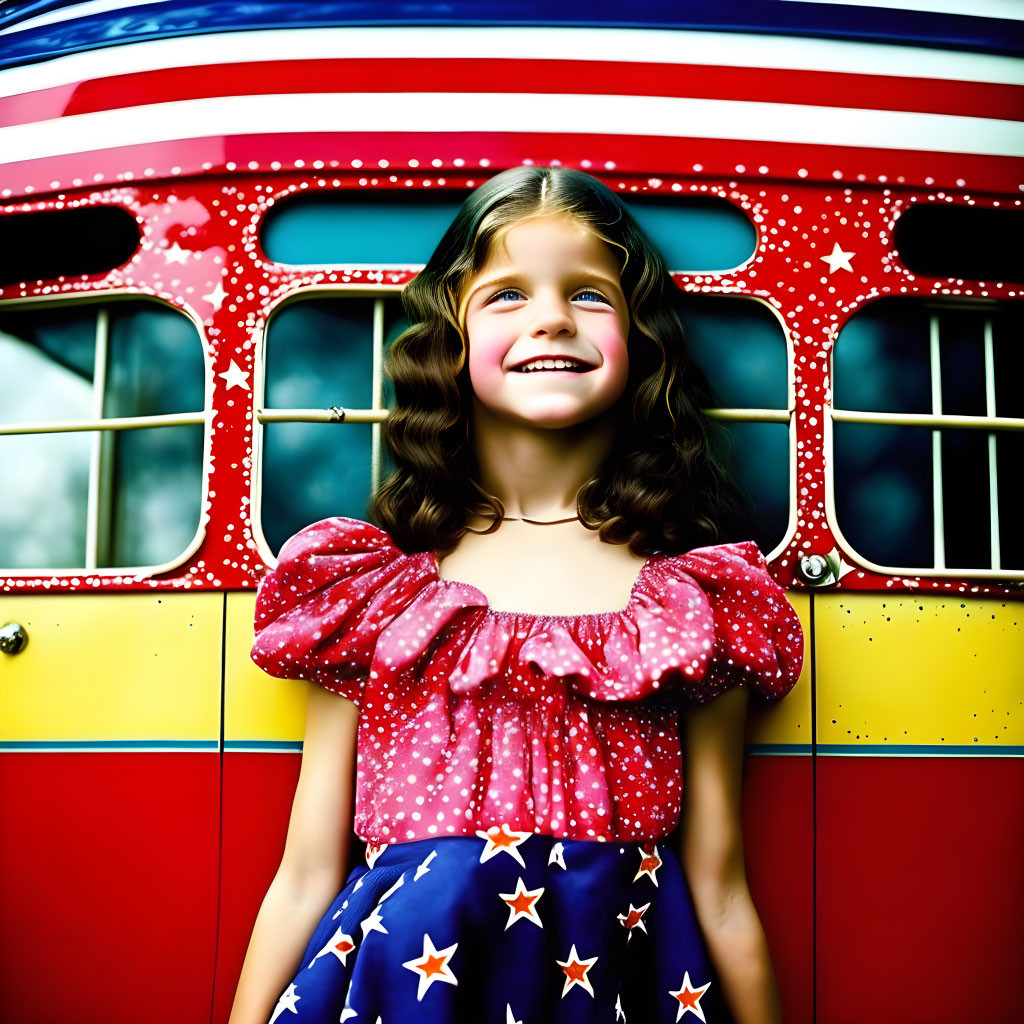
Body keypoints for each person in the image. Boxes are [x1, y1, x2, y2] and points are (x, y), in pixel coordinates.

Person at [229, 167, 803, 1024]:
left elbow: (719, 889)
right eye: (505, 294)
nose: (551, 318)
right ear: (448, 338)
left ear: (641, 338)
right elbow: (308, 871)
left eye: (589, 294)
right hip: (408, 991)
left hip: (615, 990)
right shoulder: (377, 596)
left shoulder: (693, 607)